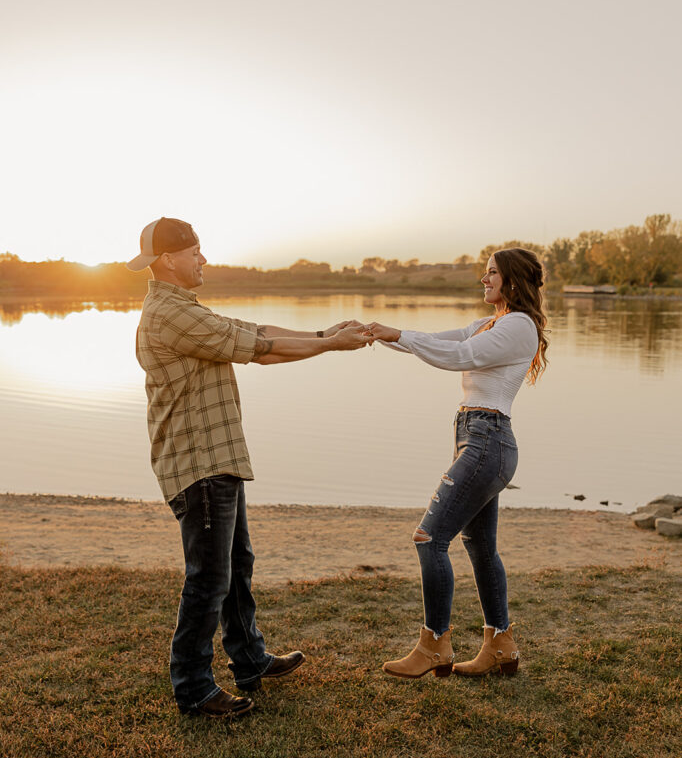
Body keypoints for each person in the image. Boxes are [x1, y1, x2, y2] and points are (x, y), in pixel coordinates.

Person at [127, 217, 368, 719]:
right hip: (196, 462)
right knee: (209, 578)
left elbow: (256, 340)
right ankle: (193, 686)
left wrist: (324, 336)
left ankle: (250, 660)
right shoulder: (169, 315)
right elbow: (259, 344)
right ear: (169, 259)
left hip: (217, 458)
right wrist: (328, 342)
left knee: (236, 568)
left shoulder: (187, 311)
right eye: (196, 251)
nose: (203, 259)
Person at [367, 248, 548, 680]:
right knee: (481, 547)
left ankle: (434, 645)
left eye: (491, 274)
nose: (483, 281)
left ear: (513, 281)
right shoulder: (490, 323)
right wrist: (376, 333)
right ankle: (500, 645)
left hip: (487, 441)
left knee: (429, 537)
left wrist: (393, 334)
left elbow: (457, 358)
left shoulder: (519, 326)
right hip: (477, 438)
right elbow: (437, 341)